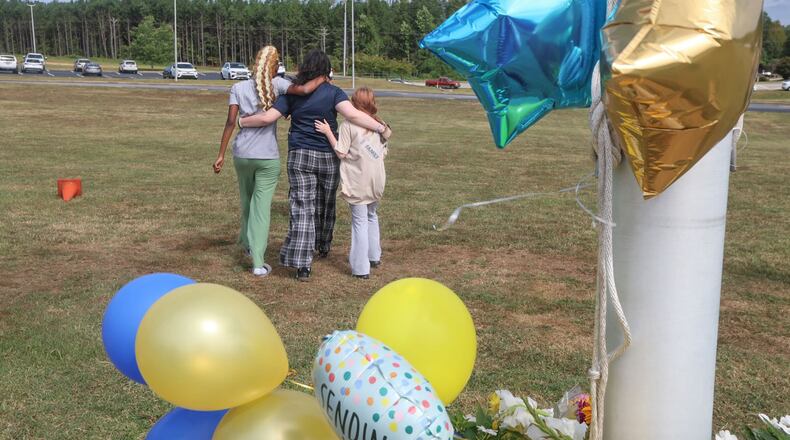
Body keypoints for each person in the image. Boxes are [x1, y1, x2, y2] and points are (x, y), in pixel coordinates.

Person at [239, 49, 389, 282]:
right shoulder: (334, 93)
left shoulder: (292, 93)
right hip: (328, 157)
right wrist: (380, 128)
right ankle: (322, 244)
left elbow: (267, 118)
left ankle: (303, 264)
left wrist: (241, 121)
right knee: (325, 203)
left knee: (302, 207)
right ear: (325, 70)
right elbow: (353, 115)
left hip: (300, 155)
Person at [213, 46, 323, 278]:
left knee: (247, 201)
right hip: (267, 157)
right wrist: (323, 76)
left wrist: (220, 154)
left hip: (242, 154)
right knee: (261, 210)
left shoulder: (237, 88)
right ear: (274, 66)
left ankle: (247, 243)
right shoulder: (279, 84)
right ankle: (257, 262)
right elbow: (304, 89)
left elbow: (231, 122)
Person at [314, 87, 390, 279]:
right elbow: (383, 150)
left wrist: (328, 132)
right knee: (372, 215)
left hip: (358, 180)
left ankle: (361, 268)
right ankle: (374, 256)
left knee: (359, 222)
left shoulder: (348, 125)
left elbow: (341, 152)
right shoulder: (379, 124)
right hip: (377, 178)